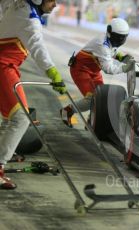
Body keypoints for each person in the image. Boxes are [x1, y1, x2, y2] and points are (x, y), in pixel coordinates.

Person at [0, 0, 66, 190]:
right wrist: (52, 72)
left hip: (8, 67)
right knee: (20, 118)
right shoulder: (29, 19)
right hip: (3, 67)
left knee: (10, 119)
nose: (55, 5)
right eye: (52, 0)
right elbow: (38, 48)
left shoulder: (19, 6)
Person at [60, 18, 134, 128]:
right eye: (118, 37)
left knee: (101, 97)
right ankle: (67, 111)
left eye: (123, 37)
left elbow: (111, 50)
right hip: (80, 69)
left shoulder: (108, 39)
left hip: (94, 70)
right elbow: (108, 68)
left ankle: (92, 120)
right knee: (91, 98)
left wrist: (121, 56)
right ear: (110, 33)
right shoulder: (102, 44)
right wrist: (124, 68)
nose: (120, 40)